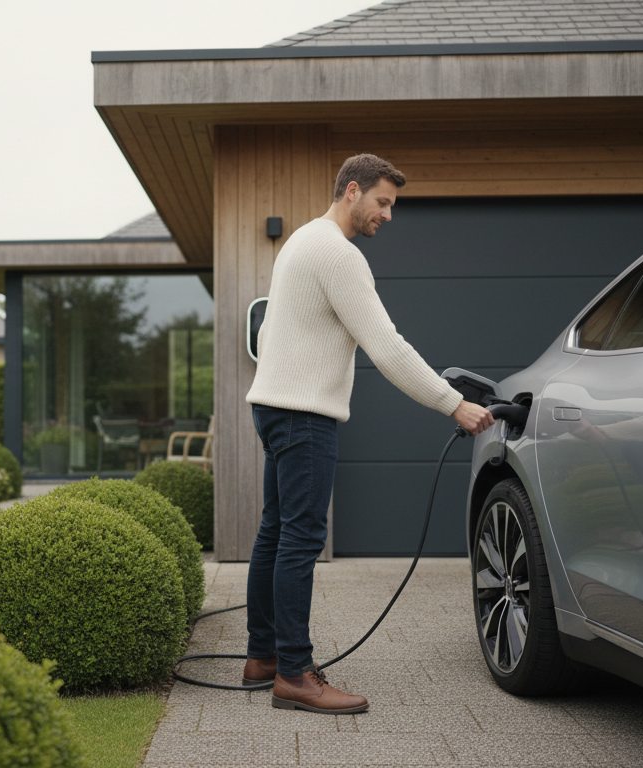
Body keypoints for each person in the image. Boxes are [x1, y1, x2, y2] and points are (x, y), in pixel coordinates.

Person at [243, 153, 495, 714]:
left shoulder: (301, 242)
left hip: (276, 408)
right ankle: (293, 673)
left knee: (276, 533)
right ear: (352, 191)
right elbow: (387, 347)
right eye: (383, 202)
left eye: (392, 205)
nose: (388, 215)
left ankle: (263, 658)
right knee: (300, 541)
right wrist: (455, 405)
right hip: (305, 415)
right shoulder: (338, 253)